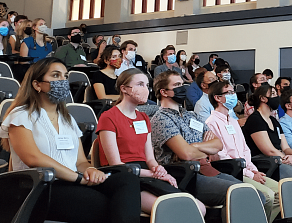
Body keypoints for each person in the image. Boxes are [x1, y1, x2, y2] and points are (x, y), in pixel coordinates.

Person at [0, 57, 141, 223]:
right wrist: (78, 178)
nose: (63, 81)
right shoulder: (21, 115)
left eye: (65, 76)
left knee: (126, 178)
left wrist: (89, 170)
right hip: (41, 186)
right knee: (104, 204)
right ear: (37, 84)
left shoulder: (68, 119)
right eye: (55, 75)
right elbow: (33, 158)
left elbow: (81, 161)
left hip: (73, 181)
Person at [97, 68, 206, 216]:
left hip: (146, 173)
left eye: (146, 85)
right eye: (140, 84)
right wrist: (151, 174)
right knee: (179, 211)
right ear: (124, 89)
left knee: (199, 208)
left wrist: (159, 170)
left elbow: (150, 158)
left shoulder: (143, 118)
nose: (145, 90)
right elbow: (115, 164)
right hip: (124, 177)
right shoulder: (108, 117)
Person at [151, 70, 257, 207]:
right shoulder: (161, 118)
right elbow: (186, 154)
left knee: (254, 193)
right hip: (187, 176)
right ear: (164, 92)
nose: (183, 88)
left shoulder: (190, 115)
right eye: (177, 85)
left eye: (183, 83)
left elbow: (218, 145)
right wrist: (206, 149)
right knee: (242, 194)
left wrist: (195, 146)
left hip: (207, 169)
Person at [206, 81, 280, 222]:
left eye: (233, 92)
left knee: (280, 192)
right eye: (229, 92)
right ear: (217, 98)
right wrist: (249, 174)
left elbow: (245, 149)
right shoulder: (212, 122)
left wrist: (253, 170)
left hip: (246, 169)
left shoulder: (233, 121)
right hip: (231, 170)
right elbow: (220, 156)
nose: (234, 95)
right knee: (268, 195)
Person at [242, 84, 292, 210]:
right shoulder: (255, 119)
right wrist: (286, 158)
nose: (277, 97)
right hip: (269, 163)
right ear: (263, 98)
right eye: (273, 94)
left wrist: (291, 155)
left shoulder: (274, 121)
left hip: (283, 160)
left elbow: (285, 146)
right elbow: (268, 149)